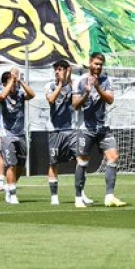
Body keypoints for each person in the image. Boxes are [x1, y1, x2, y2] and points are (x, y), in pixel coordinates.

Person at [73, 52, 125, 208]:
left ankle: (109, 196)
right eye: (95, 63)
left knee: (113, 157)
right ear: (90, 63)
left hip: (103, 127)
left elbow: (110, 99)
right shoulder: (79, 81)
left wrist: (97, 88)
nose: (98, 67)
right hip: (85, 128)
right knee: (82, 162)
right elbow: (75, 104)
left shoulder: (106, 80)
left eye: (100, 64)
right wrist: (87, 92)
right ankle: (78, 197)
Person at [0, 68, 35, 204]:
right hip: (7, 134)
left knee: (21, 166)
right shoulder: (1, 93)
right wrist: (11, 80)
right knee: (11, 165)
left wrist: (20, 81)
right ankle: (12, 194)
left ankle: (9, 186)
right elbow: (1, 97)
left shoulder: (20, 94)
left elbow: (32, 94)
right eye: (11, 83)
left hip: (21, 134)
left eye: (15, 84)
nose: (14, 86)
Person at [45, 59, 76, 206]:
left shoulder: (73, 85)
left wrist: (68, 79)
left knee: (80, 159)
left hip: (71, 129)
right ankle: (54, 196)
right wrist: (59, 85)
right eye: (55, 69)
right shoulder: (50, 85)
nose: (57, 72)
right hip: (55, 130)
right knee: (54, 162)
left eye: (60, 69)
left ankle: (80, 193)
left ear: (66, 70)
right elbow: (51, 99)